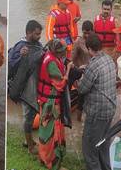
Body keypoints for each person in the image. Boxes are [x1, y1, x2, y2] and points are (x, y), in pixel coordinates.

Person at [77, 34, 117, 170]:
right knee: (103, 145)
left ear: (89, 49)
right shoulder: (109, 59)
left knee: (89, 148)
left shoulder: (93, 66)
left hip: (97, 112)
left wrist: (81, 76)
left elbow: (82, 89)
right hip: (110, 109)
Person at [37, 39, 73, 170]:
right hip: (51, 103)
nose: (64, 54)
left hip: (44, 100)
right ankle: (52, 163)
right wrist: (68, 69)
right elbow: (61, 85)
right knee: (53, 132)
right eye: (63, 52)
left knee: (45, 130)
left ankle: (43, 157)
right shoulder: (51, 62)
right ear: (56, 51)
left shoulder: (48, 56)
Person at [8, 20, 43, 155]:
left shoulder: (38, 45)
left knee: (32, 113)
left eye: (40, 34)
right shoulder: (20, 47)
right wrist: (20, 57)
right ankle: (30, 147)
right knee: (28, 117)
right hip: (24, 89)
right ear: (28, 32)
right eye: (36, 34)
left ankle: (27, 140)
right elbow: (11, 67)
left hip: (35, 87)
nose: (39, 36)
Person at [71, 20, 93, 121]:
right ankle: (79, 120)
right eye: (85, 33)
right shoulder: (78, 42)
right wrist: (75, 76)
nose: (87, 35)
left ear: (93, 31)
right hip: (81, 74)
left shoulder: (94, 41)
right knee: (81, 100)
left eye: (89, 33)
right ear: (82, 31)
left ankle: (88, 119)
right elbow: (72, 59)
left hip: (92, 73)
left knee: (91, 99)